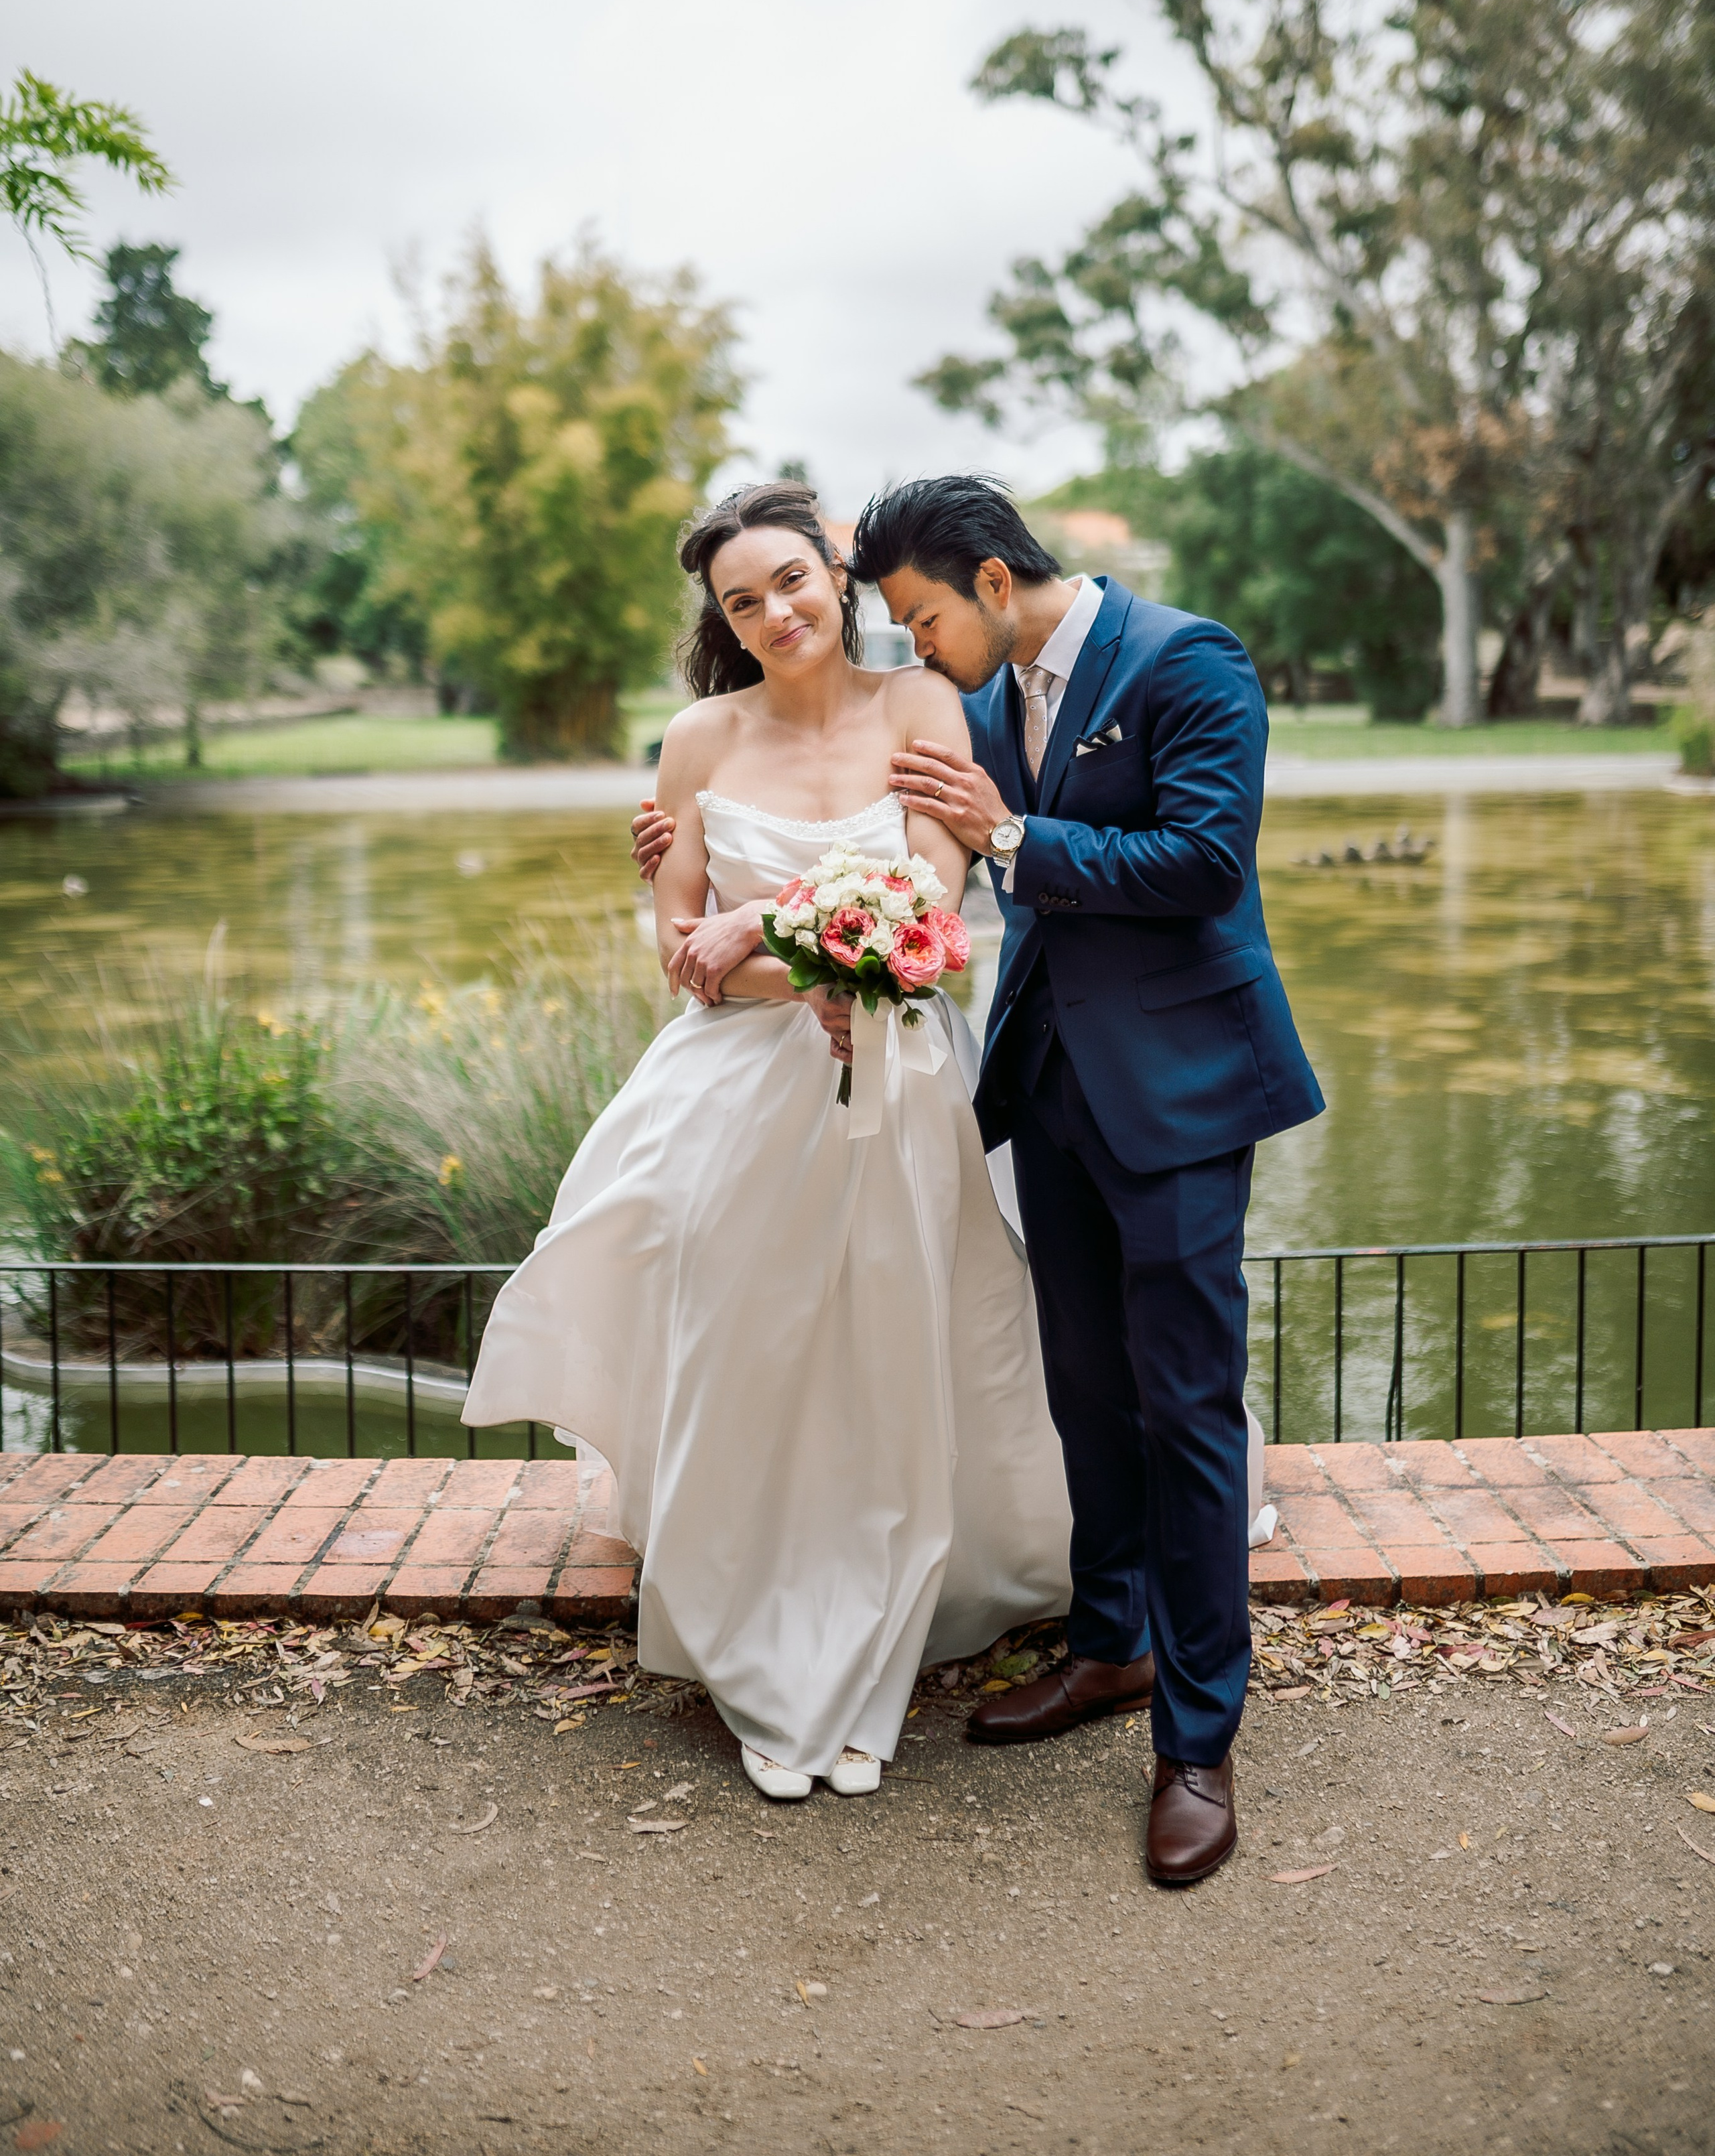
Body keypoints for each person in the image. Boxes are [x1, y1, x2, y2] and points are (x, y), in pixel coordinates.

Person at [633, 474, 1322, 1884]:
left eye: (918, 613)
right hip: (1044, 1085)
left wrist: (1001, 839)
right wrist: (705, 863)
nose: (906, 638)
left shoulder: (1183, 658)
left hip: (1180, 1090)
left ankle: (1197, 1743)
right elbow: (887, 862)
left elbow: (1198, 860)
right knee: (1079, 1388)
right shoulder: (981, 691)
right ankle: (1111, 1646)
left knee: (1184, 1407)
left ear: (992, 584)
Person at [463, 481, 1075, 1804]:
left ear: (833, 574)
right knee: (747, 1347)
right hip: (737, 1096)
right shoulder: (693, 738)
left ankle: (883, 1622)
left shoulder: (921, 705)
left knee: (888, 1343)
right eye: (741, 600)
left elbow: (930, 902)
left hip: (900, 1079)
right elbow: (680, 955)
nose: (771, 613)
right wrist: (779, 965)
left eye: (789, 582)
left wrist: (775, 927)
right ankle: (759, 1639)